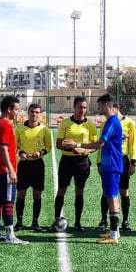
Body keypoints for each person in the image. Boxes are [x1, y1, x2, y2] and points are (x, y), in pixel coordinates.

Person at [62, 94, 123, 244]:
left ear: (107, 105)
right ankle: (115, 231)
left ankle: (114, 235)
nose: (98, 108)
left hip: (112, 165)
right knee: (111, 196)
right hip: (109, 164)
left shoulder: (112, 122)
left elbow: (99, 144)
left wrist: (77, 145)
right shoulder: (110, 121)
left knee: (112, 197)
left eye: (100, 105)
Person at [53, 97, 97, 232]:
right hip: (67, 161)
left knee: (79, 192)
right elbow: (59, 144)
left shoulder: (90, 124)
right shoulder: (65, 123)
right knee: (61, 191)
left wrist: (83, 151)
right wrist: (72, 149)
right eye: (80, 107)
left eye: (84, 107)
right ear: (74, 107)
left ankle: (78, 223)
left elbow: (95, 146)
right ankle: (56, 221)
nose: (82, 110)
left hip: (82, 162)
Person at [0, 96, 26, 244]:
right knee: (8, 201)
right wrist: (11, 169)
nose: (18, 112)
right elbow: (2, 148)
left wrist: (18, 153)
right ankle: (10, 236)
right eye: (16, 109)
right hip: (4, 171)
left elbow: (5, 147)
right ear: (9, 109)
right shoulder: (5, 124)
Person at [98, 103, 136, 232]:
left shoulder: (130, 123)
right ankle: (104, 220)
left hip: (122, 159)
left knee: (124, 191)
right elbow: (101, 144)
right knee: (107, 191)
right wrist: (99, 162)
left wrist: (133, 162)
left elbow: (133, 144)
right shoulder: (106, 123)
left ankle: (125, 220)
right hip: (108, 160)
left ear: (116, 108)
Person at [15, 103, 52, 232]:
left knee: (37, 194)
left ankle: (35, 222)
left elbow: (49, 147)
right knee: (21, 194)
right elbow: (15, 145)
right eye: (32, 112)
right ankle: (19, 222)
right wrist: (21, 153)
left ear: (40, 114)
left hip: (38, 165)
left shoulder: (45, 129)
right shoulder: (19, 128)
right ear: (28, 112)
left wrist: (40, 153)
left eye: (37, 112)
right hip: (24, 165)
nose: (34, 114)